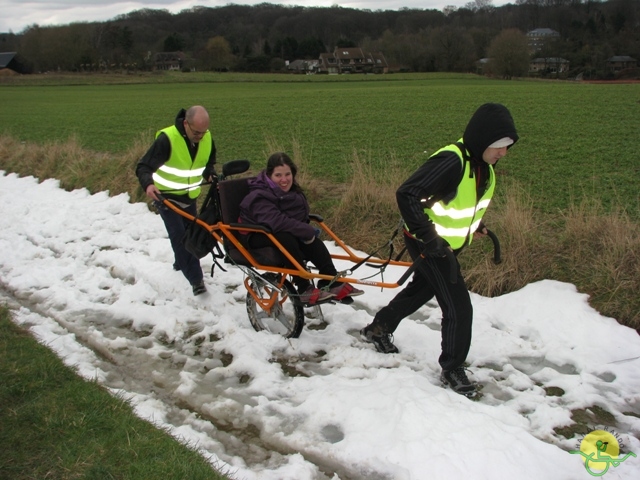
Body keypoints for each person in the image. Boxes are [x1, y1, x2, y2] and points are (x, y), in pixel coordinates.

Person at [360, 103, 519, 396]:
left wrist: (476, 225)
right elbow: (407, 193)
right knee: (458, 305)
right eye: (498, 146)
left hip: (446, 243)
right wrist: (428, 237)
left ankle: (378, 328)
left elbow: (461, 202)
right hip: (430, 243)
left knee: (421, 290)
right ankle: (453, 368)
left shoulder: (484, 167)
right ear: (481, 139)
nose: (502, 153)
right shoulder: (453, 160)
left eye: (507, 147)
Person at [238, 152, 364, 305]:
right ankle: (303, 287)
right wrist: (305, 230)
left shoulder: (292, 192)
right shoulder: (259, 196)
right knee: (287, 238)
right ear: (269, 175)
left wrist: (305, 232)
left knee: (313, 243)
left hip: (277, 232)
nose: (284, 180)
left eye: (287, 174)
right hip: (253, 234)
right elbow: (276, 222)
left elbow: (295, 218)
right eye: (278, 175)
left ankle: (331, 281)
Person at [136, 105, 217, 296]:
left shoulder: (206, 137)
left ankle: (179, 262)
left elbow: (208, 164)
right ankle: (196, 280)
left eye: (203, 132)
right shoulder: (167, 139)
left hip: (189, 196)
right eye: (196, 132)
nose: (200, 136)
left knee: (191, 233)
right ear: (186, 124)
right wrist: (148, 185)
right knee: (181, 237)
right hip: (166, 197)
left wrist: (210, 176)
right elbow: (143, 167)